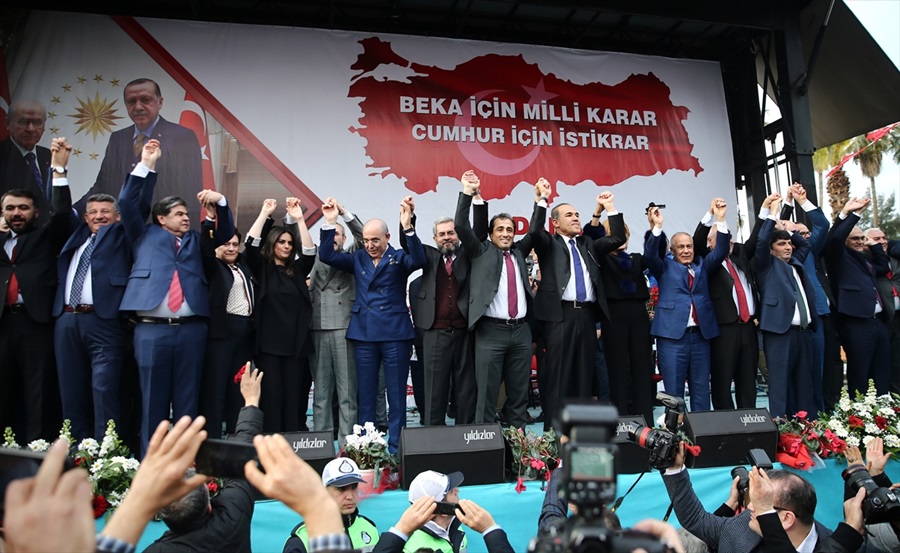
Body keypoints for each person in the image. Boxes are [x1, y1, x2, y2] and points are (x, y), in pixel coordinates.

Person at [118, 139, 235, 455]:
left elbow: (225, 235)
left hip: (191, 330)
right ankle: (150, 469)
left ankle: (185, 465)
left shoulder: (198, 240)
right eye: (179, 214)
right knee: (152, 405)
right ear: (161, 218)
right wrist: (147, 164)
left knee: (187, 404)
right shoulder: (143, 235)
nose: (186, 218)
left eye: (187, 213)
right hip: (151, 330)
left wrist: (219, 203)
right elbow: (128, 202)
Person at [318, 197, 425, 453]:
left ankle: (397, 447)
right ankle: (368, 446)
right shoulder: (357, 258)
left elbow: (419, 260)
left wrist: (408, 227)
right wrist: (330, 221)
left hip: (395, 334)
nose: (370, 245)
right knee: (365, 395)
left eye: (375, 240)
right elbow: (326, 254)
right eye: (366, 241)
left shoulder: (399, 258)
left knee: (396, 395)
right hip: (364, 334)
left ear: (387, 237)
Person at [528, 179, 626, 430]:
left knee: (585, 376)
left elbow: (615, 238)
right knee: (558, 377)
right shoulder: (549, 244)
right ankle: (554, 434)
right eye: (569, 215)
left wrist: (610, 207)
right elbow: (534, 233)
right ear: (556, 222)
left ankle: (582, 432)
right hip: (559, 317)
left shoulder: (588, 244)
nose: (575, 218)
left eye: (577, 214)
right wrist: (542, 200)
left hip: (586, 317)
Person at [1, 137, 78, 442]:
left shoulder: (46, 237)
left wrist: (58, 171)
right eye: (10, 208)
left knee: (38, 394)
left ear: (34, 212)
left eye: (23, 208)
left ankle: (35, 453)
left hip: (36, 325)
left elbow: (61, 214)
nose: (16, 213)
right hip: (2, 326)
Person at [143, 367, 263, 553]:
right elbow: (240, 457)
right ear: (208, 506)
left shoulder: (157, 550)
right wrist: (251, 401)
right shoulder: (233, 516)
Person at [453, 170, 534, 428]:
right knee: (486, 397)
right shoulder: (480, 250)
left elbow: (537, 229)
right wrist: (469, 193)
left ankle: (521, 452)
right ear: (491, 234)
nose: (506, 233)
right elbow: (461, 226)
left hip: (521, 331)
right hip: (490, 332)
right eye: (500, 229)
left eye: (510, 229)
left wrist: (541, 200)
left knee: (519, 396)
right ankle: (486, 448)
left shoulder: (520, 252)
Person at [400, 195, 489, 426]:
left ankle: (465, 436)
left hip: (464, 333)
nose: (447, 237)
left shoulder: (468, 255)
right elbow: (409, 245)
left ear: (458, 235)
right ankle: (433, 437)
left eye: (451, 232)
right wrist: (408, 224)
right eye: (442, 234)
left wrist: (476, 198)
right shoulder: (428, 256)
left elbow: (479, 233)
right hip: (434, 334)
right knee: (434, 391)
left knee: (466, 390)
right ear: (435, 238)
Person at [53, 185, 132, 440]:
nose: (99, 216)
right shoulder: (74, 237)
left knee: (104, 388)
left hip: (104, 321)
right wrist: (59, 171)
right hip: (67, 320)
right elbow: (62, 211)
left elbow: (135, 208)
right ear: (85, 218)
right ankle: (74, 450)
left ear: (117, 216)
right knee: (70, 389)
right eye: (93, 212)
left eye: (106, 211)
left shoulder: (122, 237)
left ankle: (106, 453)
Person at [660, 442, 836, 551]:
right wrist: (674, 469)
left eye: (762, 503)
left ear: (786, 518)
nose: (750, 507)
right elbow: (695, 519)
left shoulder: (836, 546)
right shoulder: (740, 527)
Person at [644, 200, 730, 411]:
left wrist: (720, 220)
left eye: (689, 246)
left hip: (700, 336)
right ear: (672, 250)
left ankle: (701, 437)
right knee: (674, 393)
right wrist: (657, 226)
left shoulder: (703, 265)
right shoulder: (664, 267)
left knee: (701, 389)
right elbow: (649, 255)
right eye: (681, 247)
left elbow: (720, 251)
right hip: (673, 337)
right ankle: (676, 440)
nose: (686, 250)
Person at [81, 78, 202, 223]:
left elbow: (190, 193)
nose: (138, 107)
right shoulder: (118, 138)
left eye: (146, 100)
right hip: (120, 233)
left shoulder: (182, 137)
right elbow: (103, 185)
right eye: (132, 102)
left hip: (160, 234)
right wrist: (73, 212)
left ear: (160, 102)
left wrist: (188, 238)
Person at [244, 198, 316, 433]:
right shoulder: (262, 269)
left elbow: (309, 252)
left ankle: (292, 445)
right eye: (281, 242)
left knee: (294, 398)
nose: (286, 246)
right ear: (273, 244)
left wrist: (299, 220)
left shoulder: (296, 271)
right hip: (269, 348)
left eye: (289, 243)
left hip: (295, 347)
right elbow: (251, 244)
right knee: (272, 398)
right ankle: (271, 445)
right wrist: (265, 212)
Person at [752, 194, 818, 419]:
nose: (788, 247)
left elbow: (805, 244)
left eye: (789, 243)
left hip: (803, 333)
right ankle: (780, 428)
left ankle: (806, 429)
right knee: (779, 385)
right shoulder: (765, 265)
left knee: (804, 385)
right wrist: (772, 216)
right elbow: (761, 242)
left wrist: (787, 230)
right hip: (780, 333)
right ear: (772, 250)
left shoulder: (795, 262)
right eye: (781, 244)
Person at [692, 197, 761, 410]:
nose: (728, 241)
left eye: (730, 238)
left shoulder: (740, 259)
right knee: (722, 380)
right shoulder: (707, 263)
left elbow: (758, 239)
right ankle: (727, 424)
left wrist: (766, 210)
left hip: (748, 327)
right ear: (711, 242)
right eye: (723, 237)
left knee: (748, 379)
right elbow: (697, 240)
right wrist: (714, 217)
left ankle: (749, 420)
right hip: (725, 329)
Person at [308, 197, 364, 442]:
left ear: (343, 239)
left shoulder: (352, 256)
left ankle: (346, 444)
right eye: (330, 234)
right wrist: (328, 224)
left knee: (347, 392)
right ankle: (321, 442)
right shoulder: (314, 256)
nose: (335, 237)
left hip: (343, 328)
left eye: (338, 234)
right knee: (320, 393)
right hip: (317, 327)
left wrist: (343, 214)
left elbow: (362, 237)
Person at [825, 197, 891, 396]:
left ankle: (883, 416)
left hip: (878, 322)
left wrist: (875, 245)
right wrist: (853, 214)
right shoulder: (838, 257)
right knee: (860, 373)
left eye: (863, 239)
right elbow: (835, 239)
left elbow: (883, 266)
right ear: (846, 241)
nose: (861, 242)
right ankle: (858, 417)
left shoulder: (863, 259)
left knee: (882, 372)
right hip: (856, 322)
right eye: (856, 239)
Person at [778, 182, 836, 413]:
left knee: (816, 374)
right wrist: (786, 204)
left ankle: (817, 424)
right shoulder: (771, 256)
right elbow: (774, 228)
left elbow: (822, 224)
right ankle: (794, 426)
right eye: (792, 233)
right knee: (791, 380)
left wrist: (801, 201)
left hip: (815, 318)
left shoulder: (806, 251)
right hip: (784, 325)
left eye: (800, 233)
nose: (796, 237)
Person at [199, 207, 256, 437]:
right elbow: (204, 248)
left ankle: (236, 440)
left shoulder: (243, 266)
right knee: (215, 392)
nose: (231, 248)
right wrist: (210, 221)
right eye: (226, 244)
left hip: (245, 334)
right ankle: (211, 443)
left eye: (235, 244)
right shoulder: (213, 266)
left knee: (238, 390)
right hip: (221, 334)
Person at [595, 220, 654, 426]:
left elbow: (654, 256)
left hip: (638, 317)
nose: (619, 239)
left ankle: (646, 422)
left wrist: (655, 228)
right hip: (613, 316)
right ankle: (622, 422)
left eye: (622, 234)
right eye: (612, 235)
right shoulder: (600, 259)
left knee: (642, 369)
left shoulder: (636, 259)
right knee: (618, 371)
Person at [284, 457, 380, 553]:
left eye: (354, 487)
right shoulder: (302, 539)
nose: (350, 496)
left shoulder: (369, 528)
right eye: (341, 489)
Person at [0, 99, 52, 226]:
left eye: (37, 122)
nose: (30, 128)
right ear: (8, 123)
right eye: (23, 122)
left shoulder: (47, 155)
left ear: (44, 125)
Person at [867, 227, 900, 394]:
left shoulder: (894, 256)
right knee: (885, 362)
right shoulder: (868, 261)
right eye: (877, 239)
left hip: (898, 317)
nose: (883, 242)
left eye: (884, 238)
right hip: (882, 318)